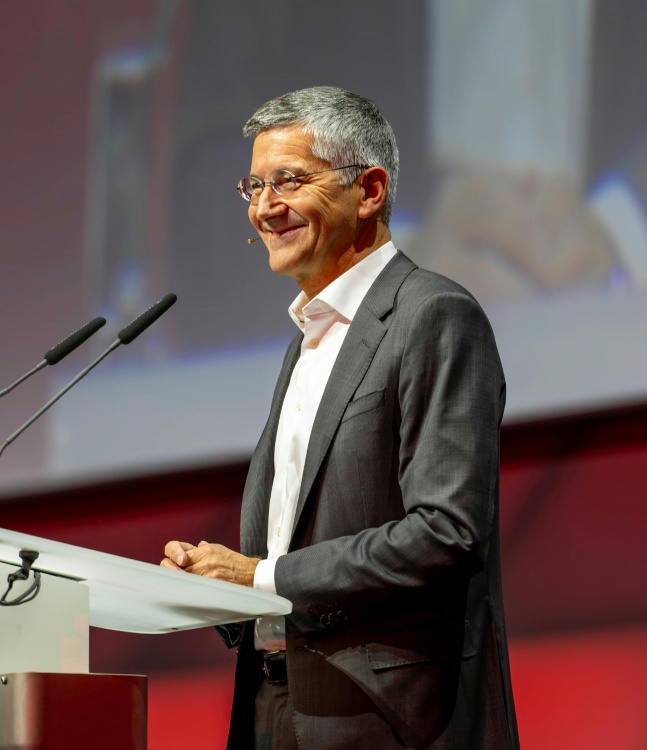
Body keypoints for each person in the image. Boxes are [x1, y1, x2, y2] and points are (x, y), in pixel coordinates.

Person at [161, 87, 519, 749]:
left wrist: (259, 577)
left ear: (370, 189)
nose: (264, 207)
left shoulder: (431, 315)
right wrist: (218, 585)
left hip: (384, 716)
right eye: (253, 185)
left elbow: (446, 531)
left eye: (288, 182)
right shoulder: (307, 339)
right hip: (275, 703)